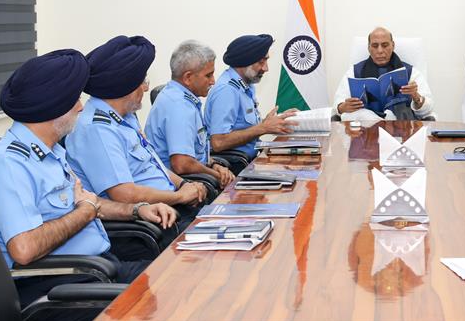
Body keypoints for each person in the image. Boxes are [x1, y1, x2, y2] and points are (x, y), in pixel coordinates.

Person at [0, 49, 177, 319]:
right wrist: (85, 212)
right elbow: (24, 248)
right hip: (60, 291)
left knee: (177, 279)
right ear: (52, 106)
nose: (81, 106)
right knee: (171, 307)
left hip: (97, 272)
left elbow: (88, 201)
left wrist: (137, 210)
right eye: (74, 100)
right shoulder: (10, 162)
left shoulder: (51, 150)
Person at [66, 35, 209, 235]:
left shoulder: (126, 116)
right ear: (125, 86)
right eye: (142, 81)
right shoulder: (97, 129)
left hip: (170, 207)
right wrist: (180, 197)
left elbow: (153, 165)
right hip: (153, 223)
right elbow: (124, 194)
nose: (147, 87)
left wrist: (184, 184)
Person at [145, 40, 235, 187]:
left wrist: (214, 166)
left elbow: (195, 154)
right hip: (179, 188)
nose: (213, 81)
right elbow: (182, 164)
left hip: (192, 179)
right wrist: (216, 176)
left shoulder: (180, 97)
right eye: (208, 75)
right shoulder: (179, 106)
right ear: (187, 77)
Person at [204, 34, 297, 162]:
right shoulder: (227, 90)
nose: (266, 68)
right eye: (261, 62)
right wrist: (263, 128)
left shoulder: (247, 84)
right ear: (244, 61)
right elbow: (218, 142)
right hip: (234, 167)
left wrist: (267, 123)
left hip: (253, 158)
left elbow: (242, 128)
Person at [333, 26, 435, 121]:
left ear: (393, 45)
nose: (380, 51)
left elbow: (428, 110)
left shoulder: (411, 72)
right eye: (375, 46)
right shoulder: (354, 72)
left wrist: (415, 96)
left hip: (400, 128)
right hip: (365, 131)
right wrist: (343, 107)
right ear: (369, 48)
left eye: (385, 45)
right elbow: (337, 107)